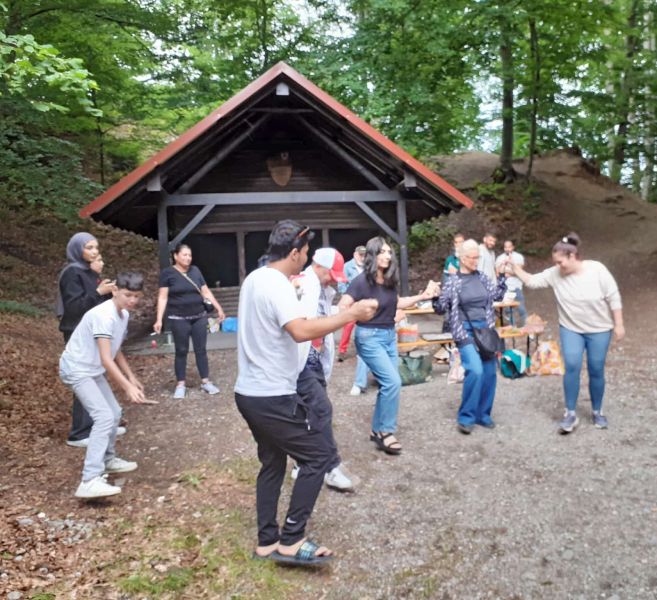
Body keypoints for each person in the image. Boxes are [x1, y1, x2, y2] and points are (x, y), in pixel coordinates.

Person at [234, 220, 377, 566]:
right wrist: (350, 314)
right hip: (271, 394)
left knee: (272, 462)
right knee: (318, 456)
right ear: (295, 253)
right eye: (306, 252)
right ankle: (291, 540)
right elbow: (300, 330)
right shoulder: (277, 284)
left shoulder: (254, 278)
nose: (307, 258)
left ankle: (267, 542)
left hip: (249, 392)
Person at [509, 233, 624, 433]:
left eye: (560, 262)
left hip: (599, 329)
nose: (558, 266)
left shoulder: (597, 270)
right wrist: (515, 268)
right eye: (555, 262)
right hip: (571, 329)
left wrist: (619, 324)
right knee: (571, 365)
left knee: (596, 368)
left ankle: (597, 411)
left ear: (573, 256)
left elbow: (613, 297)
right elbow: (532, 281)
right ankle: (570, 413)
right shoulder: (555, 273)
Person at [338, 236, 439, 454]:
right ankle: (386, 431)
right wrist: (357, 314)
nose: (387, 256)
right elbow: (343, 305)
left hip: (388, 336)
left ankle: (376, 430)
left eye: (389, 252)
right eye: (382, 252)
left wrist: (422, 296)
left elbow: (397, 302)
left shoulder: (389, 280)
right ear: (373, 255)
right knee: (393, 382)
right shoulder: (361, 281)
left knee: (388, 384)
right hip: (369, 337)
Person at [59, 272, 156, 498]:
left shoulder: (123, 315)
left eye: (136, 296)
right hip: (77, 368)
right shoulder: (104, 315)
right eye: (127, 295)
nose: (132, 300)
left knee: (114, 412)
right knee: (103, 416)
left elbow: (115, 349)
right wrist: (127, 387)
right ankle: (89, 479)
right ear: (115, 291)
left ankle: (108, 460)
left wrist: (131, 377)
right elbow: (105, 358)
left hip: (92, 368)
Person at [291, 247, 354, 491]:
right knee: (321, 408)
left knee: (306, 412)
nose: (333, 281)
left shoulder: (322, 289)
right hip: (301, 359)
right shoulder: (303, 285)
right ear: (319, 266)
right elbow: (305, 322)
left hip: (314, 357)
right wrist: (343, 317)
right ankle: (330, 467)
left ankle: (301, 462)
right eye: (331, 275)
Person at [434, 239, 507, 434]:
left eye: (478, 257)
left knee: (490, 373)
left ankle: (483, 414)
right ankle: (466, 416)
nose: (476, 261)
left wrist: (501, 277)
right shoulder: (453, 281)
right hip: (464, 331)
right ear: (462, 258)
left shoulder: (483, 278)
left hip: (485, 330)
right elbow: (440, 308)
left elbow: (497, 296)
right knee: (475, 370)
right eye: (472, 257)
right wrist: (434, 295)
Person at [57, 232, 118, 448]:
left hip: (92, 330)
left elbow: (95, 304)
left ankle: (100, 424)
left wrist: (108, 292)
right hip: (76, 332)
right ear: (77, 250)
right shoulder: (71, 273)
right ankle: (79, 432)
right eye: (89, 248)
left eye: (96, 247)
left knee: (95, 375)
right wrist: (99, 291)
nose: (94, 252)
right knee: (83, 378)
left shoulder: (88, 271)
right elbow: (74, 308)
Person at [153, 243, 225, 399]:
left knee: (201, 350)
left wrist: (219, 308)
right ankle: (180, 384)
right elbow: (163, 297)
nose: (188, 258)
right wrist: (159, 319)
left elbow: (205, 291)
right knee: (181, 351)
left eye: (190, 255)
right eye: (184, 255)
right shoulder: (167, 273)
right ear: (175, 256)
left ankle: (205, 381)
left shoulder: (195, 271)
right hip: (179, 319)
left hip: (199, 316)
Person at [336, 245, 366, 361]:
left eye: (364, 255)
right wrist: (346, 297)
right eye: (360, 255)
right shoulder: (347, 266)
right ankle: (342, 351)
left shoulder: (367, 266)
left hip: (364, 300)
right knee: (348, 326)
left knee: (364, 326)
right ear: (355, 254)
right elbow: (341, 283)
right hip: (352, 300)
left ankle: (362, 349)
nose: (362, 257)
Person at [495, 240, 527, 326]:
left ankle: (525, 327)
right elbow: (497, 273)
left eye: (509, 247)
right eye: (506, 247)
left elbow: (519, 272)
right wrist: (512, 271)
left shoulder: (518, 257)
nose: (507, 249)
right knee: (508, 311)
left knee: (521, 309)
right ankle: (512, 328)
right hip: (505, 288)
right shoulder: (500, 258)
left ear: (513, 247)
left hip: (517, 287)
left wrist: (506, 271)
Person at [441, 232, 465, 333]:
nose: (458, 245)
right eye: (456, 242)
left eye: (461, 242)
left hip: (465, 295)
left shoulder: (469, 259)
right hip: (452, 294)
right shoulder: (450, 260)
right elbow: (445, 279)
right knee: (448, 318)